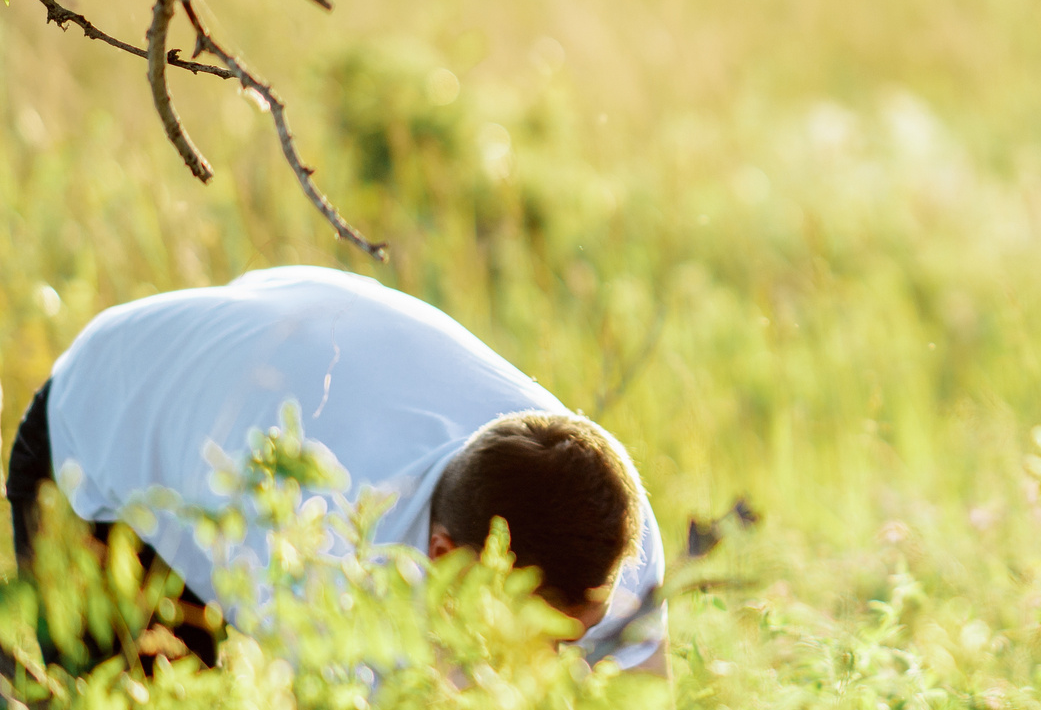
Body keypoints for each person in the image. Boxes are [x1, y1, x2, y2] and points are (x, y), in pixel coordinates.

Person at [7, 265, 668, 673]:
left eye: (577, 634)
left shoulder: (612, 529)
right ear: (444, 557)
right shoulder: (320, 563)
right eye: (546, 641)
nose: (564, 664)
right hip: (97, 437)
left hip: (287, 348)